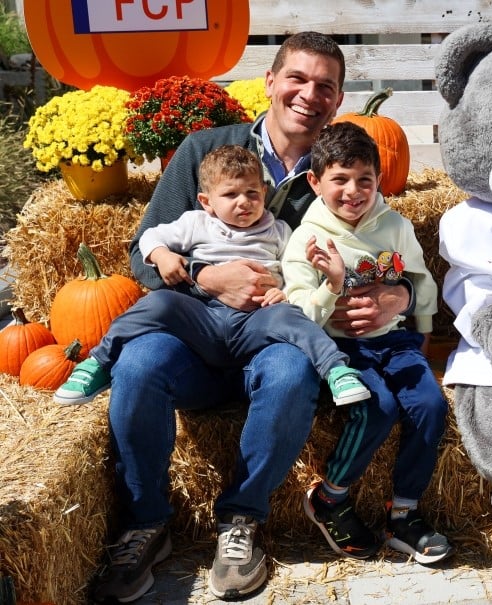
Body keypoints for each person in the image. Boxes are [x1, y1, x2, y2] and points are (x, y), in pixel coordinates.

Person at [89, 33, 413, 603]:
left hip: (273, 336)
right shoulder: (204, 151)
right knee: (138, 363)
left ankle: (241, 520)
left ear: (337, 101)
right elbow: (143, 249)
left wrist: (401, 298)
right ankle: (146, 523)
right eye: (298, 79)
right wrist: (202, 275)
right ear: (269, 82)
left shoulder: (341, 172)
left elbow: (389, 253)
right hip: (194, 333)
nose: (309, 94)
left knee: (291, 372)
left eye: (325, 87)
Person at [53, 144, 371, 407]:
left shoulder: (279, 231)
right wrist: (162, 255)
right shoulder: (196, 223)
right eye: (231, 195)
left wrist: (284, 291)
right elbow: (149, 238)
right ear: (207, 202)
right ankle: (99, 362)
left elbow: (295, 269)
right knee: (159, 302)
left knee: (291, 317)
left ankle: (337, 371)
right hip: (202, 313)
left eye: (252, 193)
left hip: (256, 318)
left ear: (263, 191)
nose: (244, 202)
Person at [282, 122, 454, 565]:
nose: (354, 191)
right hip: (339, 351)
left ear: (379, 178)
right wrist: (333, 286)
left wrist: (419, 328)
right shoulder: (306, 239)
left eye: (365, 179)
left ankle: (404, 514)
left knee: (431, 406)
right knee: (377, 407)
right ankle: (330, 496)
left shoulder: (394, 225)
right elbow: (298, 312)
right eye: (339, 179)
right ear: (315, 182)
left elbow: (418, 279)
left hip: (395, 342)